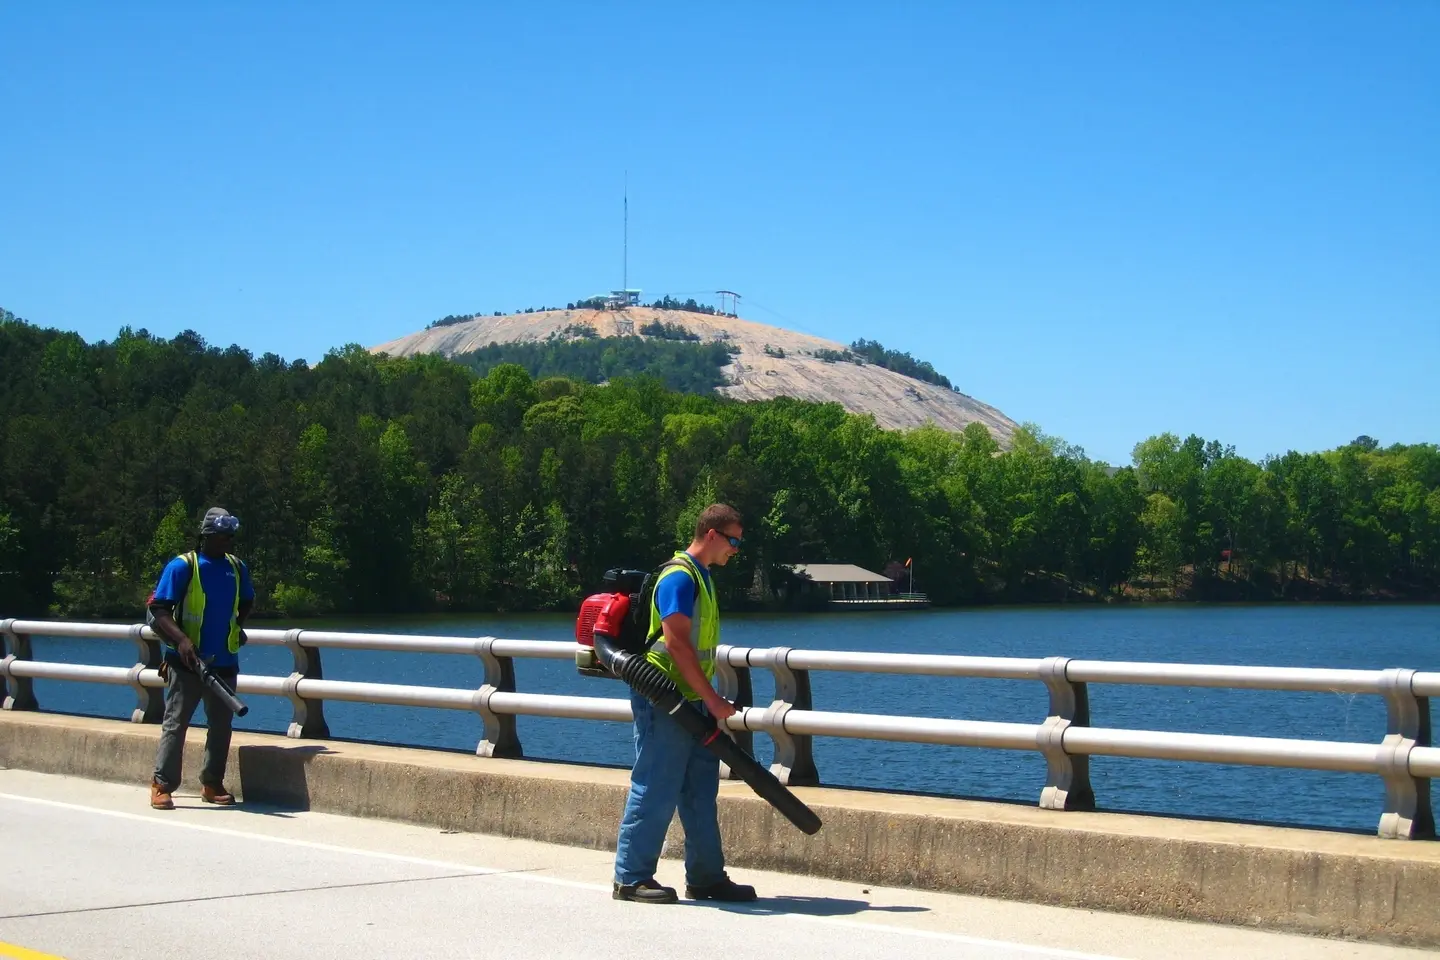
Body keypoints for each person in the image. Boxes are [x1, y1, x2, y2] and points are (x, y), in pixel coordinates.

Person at [612, 503, 758, 904]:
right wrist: (712, 699)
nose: (736, 549)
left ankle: (707, 878)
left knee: (699, 790)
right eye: (733, 540)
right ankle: (630, 878)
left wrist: (705, 698)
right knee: (655, 786)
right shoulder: (679, 577)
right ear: (711, 534)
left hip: (690, 700)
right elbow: (675, 643)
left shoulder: (704, 578)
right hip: (663, 698)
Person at [147, 506, 254, 810]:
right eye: (221, 537)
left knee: (221, 725)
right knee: (176, 722)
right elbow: (159, 609)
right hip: (186, 662)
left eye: (229, 537)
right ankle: (162, 784)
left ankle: (212, 783)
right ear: (206, 536)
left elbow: (247, 599)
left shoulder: (236, 567)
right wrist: (181, 640)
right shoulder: (183, 566)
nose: (226, 542)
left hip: (223, 660)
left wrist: (236, 625)